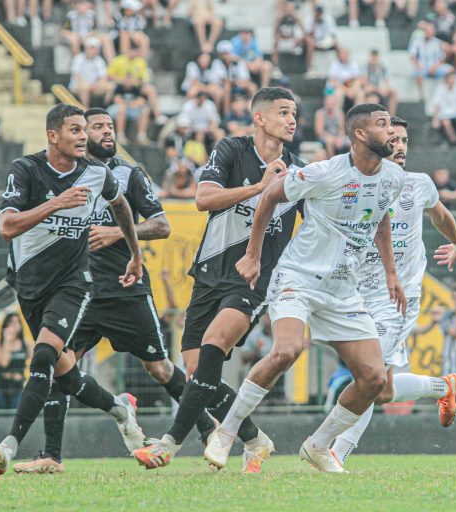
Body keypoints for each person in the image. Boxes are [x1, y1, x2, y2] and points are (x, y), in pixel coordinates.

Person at [200, 103, 407, 474]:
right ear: (360, 134)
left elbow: (380, 220)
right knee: (287, 351)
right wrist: (253, 255)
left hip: (343, 290)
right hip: (298, 277)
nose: (391, 132)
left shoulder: (393, 177)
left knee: (375, 379)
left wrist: (392, 274)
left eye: (391, 124)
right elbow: (269, 197)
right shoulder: (323, 172)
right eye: (382, 124)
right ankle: (226, 431)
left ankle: (318, 445)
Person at [11, 108, 215, 474]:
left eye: (110, 126)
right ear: (78, 135)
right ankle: (51, 455)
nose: (107, 132)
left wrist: (119, 234)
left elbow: (162, 225)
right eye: (96, 127)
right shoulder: (59, 177)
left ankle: (207, 429)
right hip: (79, 289)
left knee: (159, 367)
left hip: (125, 289)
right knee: (59, 361)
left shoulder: (127, 173)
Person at [131, 88, 304, 474]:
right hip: (209, 271)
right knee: (197, 373)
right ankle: (256, 440)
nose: (292, 119)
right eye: (283, 112)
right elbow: (203, 199)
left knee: (214, 347)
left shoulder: (301, 171)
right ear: (259, 118)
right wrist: (259, 187)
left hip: (252, 276)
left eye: (295, 113)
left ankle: (170, 444)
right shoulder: (230, 149)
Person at [0, 104, 145, 475]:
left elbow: (120, 206)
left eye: (83, 130)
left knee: (42, 357)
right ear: (52, 135)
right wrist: (56, 203)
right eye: (74, 130)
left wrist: (134, 254)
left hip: (73, 284)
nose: (82, 137)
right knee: (66, 374)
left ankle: (9, 446)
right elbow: (7, 227)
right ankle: (120, 408)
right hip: (28, 285)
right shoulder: (25, 170)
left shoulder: (95, 172)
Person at [329, 116, 456, 467]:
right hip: (360, 295)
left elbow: (441, 215)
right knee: (384, 389)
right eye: (394, 140)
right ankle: (443, 387)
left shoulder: (419, 184)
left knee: (369, 380)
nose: (401, 146)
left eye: (405, 140)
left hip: (399, 298)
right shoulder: (357, 185)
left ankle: (335, 454)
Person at [0, 312, 32, 410]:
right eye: (11, 323)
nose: (15, 326)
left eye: (17, 322)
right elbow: (4, 363)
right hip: (0, 385)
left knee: (16, 413)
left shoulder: (26, 343)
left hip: (18, 384)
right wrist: (7, 341)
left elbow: (35, 364)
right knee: (1, 416)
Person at [408, 21, 453, 97]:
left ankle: (446, 93)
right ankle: (421, 95)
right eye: (426, 30)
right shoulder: (417, 41)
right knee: (418, 73)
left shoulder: (437, 43)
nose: (428, 32)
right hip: (422, 67)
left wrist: (436, 67)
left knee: (450, 69)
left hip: (434, 67)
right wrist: (418, 65)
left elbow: (442, 58)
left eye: (430, 30)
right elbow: (412, 56)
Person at [69, 38, 114, 109]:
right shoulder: (78, 58)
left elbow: (103, 77)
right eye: (90, 48)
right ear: (86, 49)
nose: (92, 51)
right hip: (78, 85)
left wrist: (97, 84)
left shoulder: (99, 61)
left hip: (94, 85)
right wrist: (88, 85)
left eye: (94, 49)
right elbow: (77, 76)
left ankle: (105, 108)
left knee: (111, 86)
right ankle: (85, 109)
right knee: (85, 88)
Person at [430, 71, 456, 145]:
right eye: (451, 78)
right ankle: (453, 139)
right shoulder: (440, 89)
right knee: (446, 122)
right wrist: (435, 119)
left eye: (453, 78)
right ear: (446, 80)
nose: (452, 80)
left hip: (455, 114)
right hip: (444, 114)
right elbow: (437, 105)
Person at [362, 50, 398, 116]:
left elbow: (386, 81)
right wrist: (377, 89)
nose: (374, 59)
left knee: (394, 92)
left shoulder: (382, 67)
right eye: (373, 57)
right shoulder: (365, 67)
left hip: (379, 88)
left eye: (375, 57)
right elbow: (365, 82)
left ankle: (392, 116)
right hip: (371, 88)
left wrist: (385, 87)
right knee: (371, 96)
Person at [272, 0, 305, 68]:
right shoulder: (280, 18)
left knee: (306, 40)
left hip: (293, 41)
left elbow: (303, 31)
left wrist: (298, 39)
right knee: (275, 44)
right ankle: (275, 67)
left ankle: (306, 67)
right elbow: (275, 32)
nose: (289, 10)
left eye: (290, 8)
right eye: (288, 8)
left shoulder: (296, 18)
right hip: (283, 41)